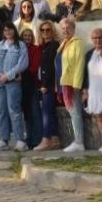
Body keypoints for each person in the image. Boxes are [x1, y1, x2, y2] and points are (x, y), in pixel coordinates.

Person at [0, 22, 29, 151]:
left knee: (14, 110)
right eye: (5, 30)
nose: (7, 32)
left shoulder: (20, 45)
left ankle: (20, 140)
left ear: (14, 30)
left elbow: (22, 64)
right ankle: (4, 140)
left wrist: (9, 75)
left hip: (13, 82)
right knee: (1, 110)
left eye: (10, 30)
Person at [59, 18, 87, 152]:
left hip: (72, 84)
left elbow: (79, 63)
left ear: (73, 29)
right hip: (65, 83)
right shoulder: (64, 43)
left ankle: (79, 142)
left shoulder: (78, 43)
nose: (65, 30)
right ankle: (77, 140)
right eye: (63, 28)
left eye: (68, 28)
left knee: (75, 113)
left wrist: (77, 84)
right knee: (72, 112)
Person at [35, 21, 62, 150]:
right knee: (50, 112)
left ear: (53, 31)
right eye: (42, 30)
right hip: (43, 84)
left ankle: (45, 139)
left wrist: (45, 85)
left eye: (48, 30)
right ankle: (55, 139)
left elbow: (51, 67)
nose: (45, 32)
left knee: (45, 112)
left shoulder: (54, 45)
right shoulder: (42, 46)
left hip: (50, 85)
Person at [20, 27, 43, 148]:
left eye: (29, 35)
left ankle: (37, 140)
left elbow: (34, 67)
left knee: (35, 112)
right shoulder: (18, 49)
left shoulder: (35, 49)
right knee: (27, 115)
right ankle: (29, 139)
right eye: (25, 35)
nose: (27, 37)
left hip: (32, 84)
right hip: (20, 85)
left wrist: (20, 73)